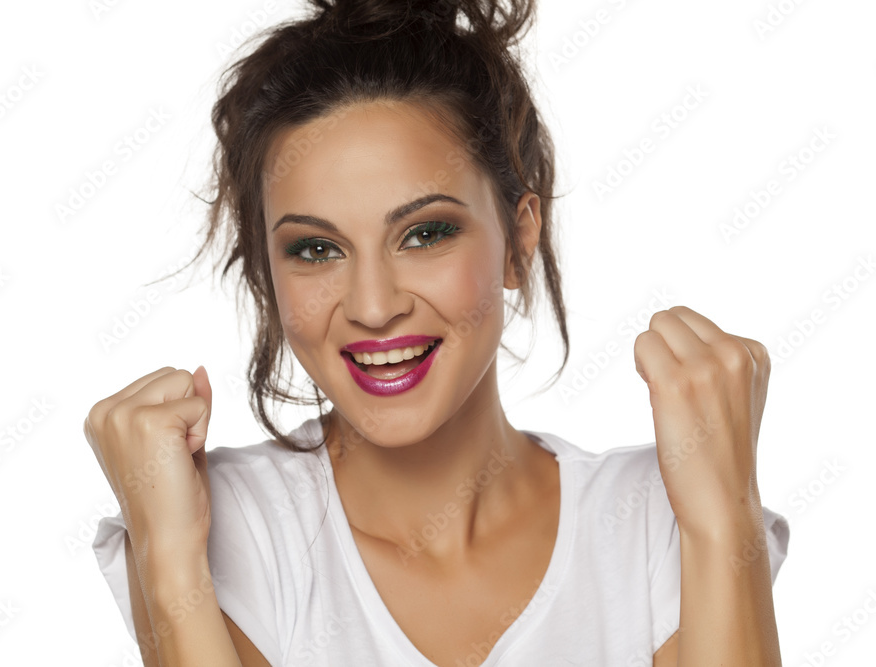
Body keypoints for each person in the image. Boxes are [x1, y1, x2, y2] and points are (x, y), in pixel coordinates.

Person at [85, 0, 790, 664]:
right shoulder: (230, 527)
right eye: (317, 248)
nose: (373, 306)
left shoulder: (654, 520)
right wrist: (167, 559)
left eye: (425, 233)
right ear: (268, 273)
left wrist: (724, 516)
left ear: (518, 242)